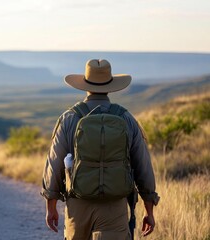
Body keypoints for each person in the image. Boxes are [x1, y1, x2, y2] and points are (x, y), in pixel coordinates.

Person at [41, 59, 159, 240]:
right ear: (111, 86)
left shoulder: (68, 118)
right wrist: (149, 210)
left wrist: (51, 206)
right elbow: (143, 165)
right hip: (115, 204)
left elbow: (54, 163)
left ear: (85, 85)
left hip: (78, 203)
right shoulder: (126, 118)